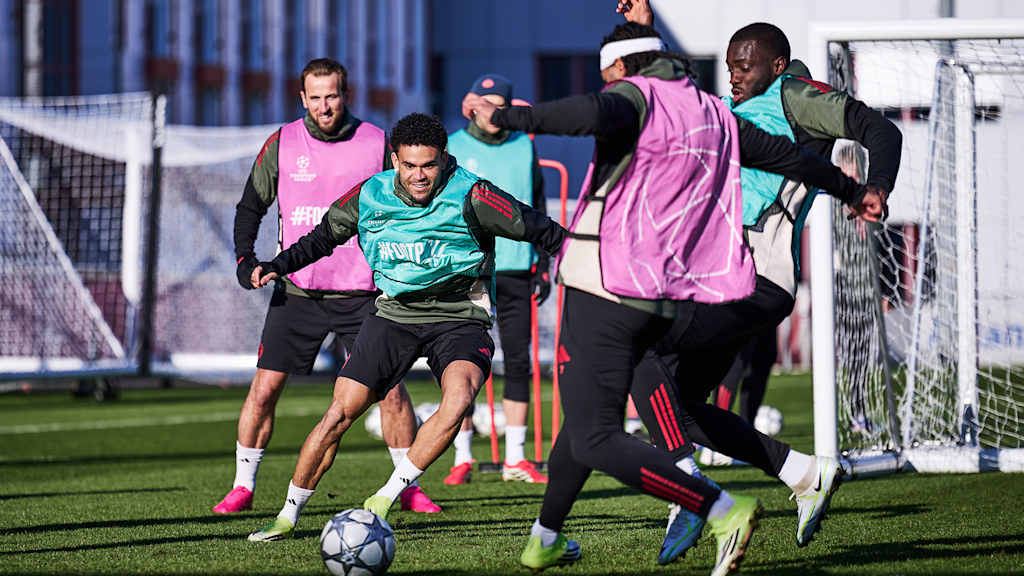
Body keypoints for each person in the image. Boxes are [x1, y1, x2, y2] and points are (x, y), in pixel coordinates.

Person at [462, 19, 881, 575]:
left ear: (619, 70)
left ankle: (711, 504)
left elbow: (585, 114)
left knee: (595, 432)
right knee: (594, 413)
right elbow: (789, 158)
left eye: (608, 74)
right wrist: (852, 189)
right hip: (664, 289)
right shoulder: (713, 113)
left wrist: (509, 117)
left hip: (604, 280)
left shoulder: (634, 99)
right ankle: (545, 537)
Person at [617, 0, 901, 563]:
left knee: (634, 343)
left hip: (757, 279)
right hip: (721, 279)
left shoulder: (795, 96)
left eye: (745, 65)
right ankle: (804, 473)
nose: (734, 75)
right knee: (678, 406)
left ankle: (688, 491)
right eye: (730, 66)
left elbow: (879, 128)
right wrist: (642, 34)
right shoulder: (731, 110)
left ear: (777, 65)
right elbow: (672, 96)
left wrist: (877, 188)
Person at [245, 113, 568, 542]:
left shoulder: (474, 195)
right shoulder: (370, 194)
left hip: (459, 318)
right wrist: (278, 264)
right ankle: (287, 515)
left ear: (444, 159)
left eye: (429, 165)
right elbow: (322, 238)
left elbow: (542, 229)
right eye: (410, 165)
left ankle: (385, 497)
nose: (419, 176)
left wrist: (581, 261)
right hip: (394, 315)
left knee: (458, 398)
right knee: (340, 412)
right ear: (394, 159)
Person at [215, 58, 440, 517]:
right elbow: (250, 206)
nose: (324, 105)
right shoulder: (282, 143)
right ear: (302, 99)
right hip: (298, 291)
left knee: (391, 391)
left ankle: (409, 488)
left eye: (331, 95)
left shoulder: (377, 143)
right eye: (315, 97)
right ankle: (242, 486)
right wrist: (245, 259)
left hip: (363, 292)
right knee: (264, 388)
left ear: (346, 94)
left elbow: (413, 202)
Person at [443, 73, 550, 486]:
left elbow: (537, 206)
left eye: (499, 105)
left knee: (519, 360)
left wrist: (543, 262)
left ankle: (516, 458)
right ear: (471, 106)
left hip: (517, 268)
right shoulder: (453, 146)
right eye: (484, 104)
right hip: (468, 271)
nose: (491, 112)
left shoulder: (525, 145)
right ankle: (463, 455)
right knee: (461, 359)